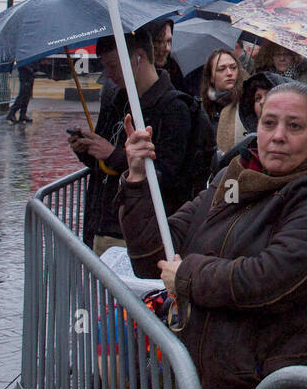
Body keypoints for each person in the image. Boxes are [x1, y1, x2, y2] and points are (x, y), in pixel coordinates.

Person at [119, 82, 307, 389]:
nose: (278, 136)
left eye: (294, 126)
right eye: (269, 122)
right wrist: (136, 180)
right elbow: (153, 258)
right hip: (211, 387)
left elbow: (269, 278)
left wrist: (187, 275)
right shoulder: (230, 183)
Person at [68, 31, 193, 253]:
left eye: (114, 66)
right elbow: (105, 164)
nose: (108, 74)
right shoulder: (117, 100)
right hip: (103, 224)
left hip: (137, 234)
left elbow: (168, 176)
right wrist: (88, 149)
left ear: (139, 58)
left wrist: (113, 155)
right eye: (106, 67)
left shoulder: (174, 108)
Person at [199, 48, 242, 137]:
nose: (229, 73)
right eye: (221, 69)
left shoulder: (246, 103)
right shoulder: (202, 109)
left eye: (233, 68)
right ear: (211, 77)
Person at [146, 19, 187, 94]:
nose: (167, 48)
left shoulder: (173, 68)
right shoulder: (137, 73)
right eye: (159, 41)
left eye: (169, 41)